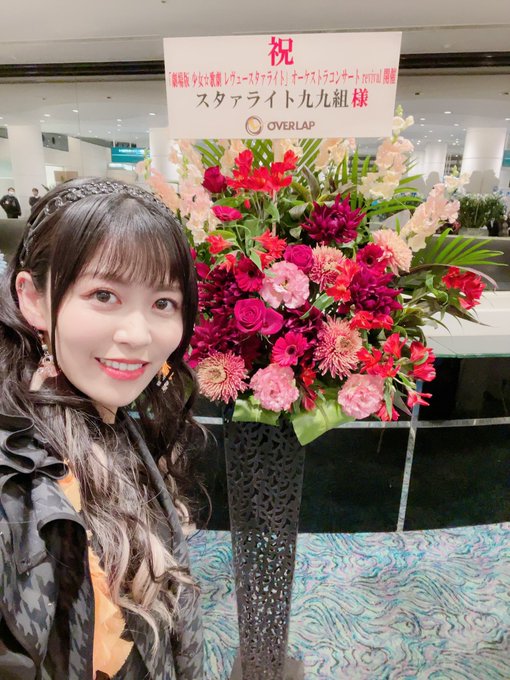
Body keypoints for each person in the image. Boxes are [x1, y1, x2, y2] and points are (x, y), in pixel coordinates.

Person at [0, 178, 204, 679]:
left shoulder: (102, 410)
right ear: (32, 298)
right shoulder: (16, 479)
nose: (137, 335)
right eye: (104, 294)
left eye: (163, 303)